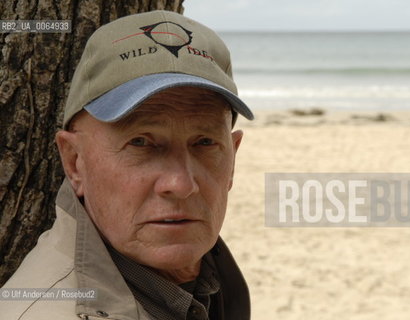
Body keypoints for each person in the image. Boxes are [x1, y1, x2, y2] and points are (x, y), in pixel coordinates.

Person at [1, 10, 253, 320]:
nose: (181, 184)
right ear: (74, 161)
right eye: (140, 143)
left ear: (232, 158)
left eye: (204, 143)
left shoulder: (205, 281)